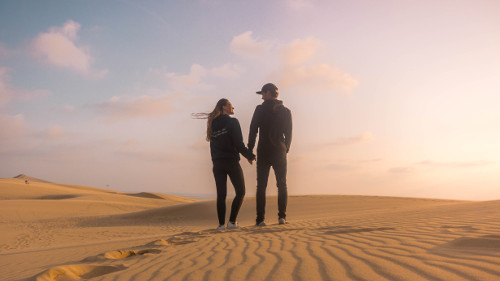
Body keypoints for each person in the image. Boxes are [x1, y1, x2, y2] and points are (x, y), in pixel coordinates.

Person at [194, 98, 256, 231]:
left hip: (217, 164)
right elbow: (238, 144)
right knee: (241, 191)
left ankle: (221, 225)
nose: (233, 108)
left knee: (221, 195)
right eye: (231, 106)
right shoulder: (232, 122)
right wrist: (249, 156)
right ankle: (232, 222)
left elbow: (212, 147)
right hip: (231, 161)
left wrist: (215, 161)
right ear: (224, 107)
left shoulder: (212, 124)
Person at [248, 83, 292, 226]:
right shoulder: (286, 111)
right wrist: (286, 148)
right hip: (279, 151)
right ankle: (282, 217)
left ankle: (260, 220)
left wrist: (250, 150)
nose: (261, 96)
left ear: (268, 93)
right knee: (282, 184)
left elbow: (253, 130)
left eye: (262, 93)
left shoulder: (260, 109)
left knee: (261, 186)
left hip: (264, 151)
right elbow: (289, 134)